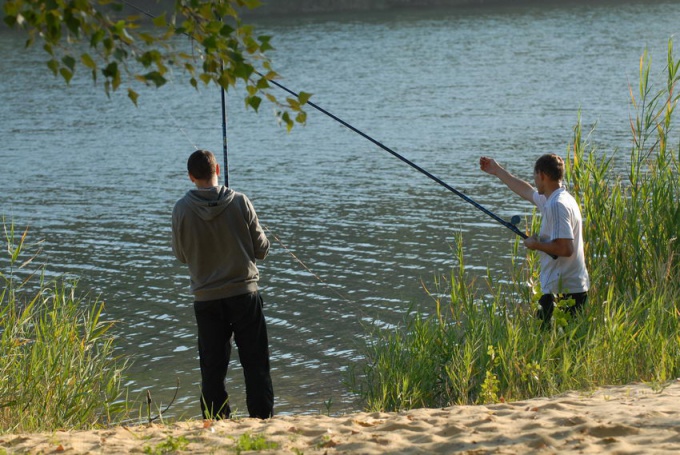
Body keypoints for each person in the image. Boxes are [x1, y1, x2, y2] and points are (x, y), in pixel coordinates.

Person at [172, 149, 273, 419]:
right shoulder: (240, 201)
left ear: (191, 177)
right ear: (217, 170)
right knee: (256, 364)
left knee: (212, 369)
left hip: (206, 299)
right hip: (244, 295)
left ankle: (216, 423)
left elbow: (182, 256)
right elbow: (262, 250)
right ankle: (262, 420)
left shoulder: (181, 209)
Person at [479, 154, 589, 326]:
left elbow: (566, 249)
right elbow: (526, 190)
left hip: (563, 291)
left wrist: (535, 244)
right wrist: (497, 171)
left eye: (535, 176)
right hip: (565, 287)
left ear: (542, 175)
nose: (535, 181)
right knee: (557, 344)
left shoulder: (557, 205)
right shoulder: (557, 198)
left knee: (548, 343)